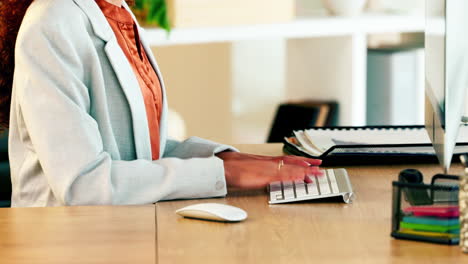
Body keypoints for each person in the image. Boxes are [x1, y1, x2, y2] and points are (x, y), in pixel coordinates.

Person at [0, 0, 321, 207]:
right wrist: (222, 173)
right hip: (62, 240)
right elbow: (82, 186)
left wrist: (227, 159)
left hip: (121, 226)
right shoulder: (52, 22)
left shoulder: (117, 12)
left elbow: (137, 151)